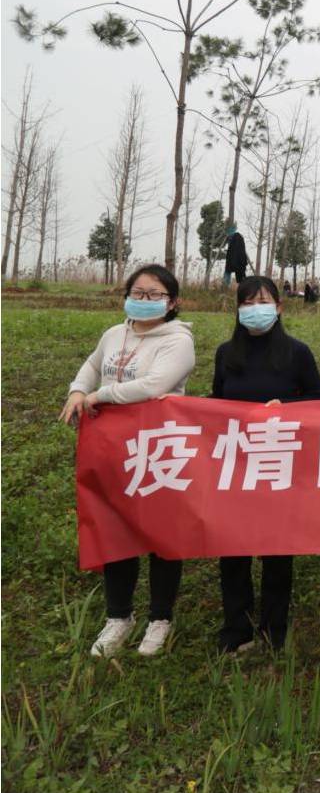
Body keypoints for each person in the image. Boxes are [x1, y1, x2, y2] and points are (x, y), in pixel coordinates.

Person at [64, 265, 197, 658]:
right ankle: (118, 616)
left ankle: (160, 618)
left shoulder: (178, 340)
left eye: (154, 294)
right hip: (111, 447)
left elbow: (155, 385)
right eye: (137, 293)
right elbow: (92, 364)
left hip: (157, 447)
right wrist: (77, 390)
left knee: (161, 534)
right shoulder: (114, 333)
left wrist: (100, 396)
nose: (143, 300)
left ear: (172, 302)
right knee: (115, 526)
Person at [211, 276, 320, 653]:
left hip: (280, 462)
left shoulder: (297, 353)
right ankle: (237, 627)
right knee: (233, 549)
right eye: (246, 303)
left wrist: (286, 409)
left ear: (279, 307)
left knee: (277, 550)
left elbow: (318, 401)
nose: (254, 309)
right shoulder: (226, 353)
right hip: (238, 464)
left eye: (262, 302)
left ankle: (273, 629)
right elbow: (215, 402)